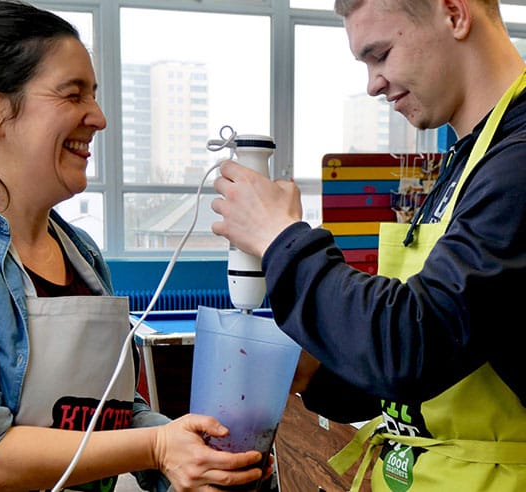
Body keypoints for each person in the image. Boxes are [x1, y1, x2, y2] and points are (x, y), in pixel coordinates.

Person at [0, 1, 268, 491]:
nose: (100, 117)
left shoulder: (80, 252)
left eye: (95, 94)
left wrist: (195, 455)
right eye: (73, 94)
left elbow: (114, 412)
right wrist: (156, 447)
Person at [211, 0, 526, 490]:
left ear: (454, 13)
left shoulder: (518, 162)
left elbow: (412, 343)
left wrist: (282, 240)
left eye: (380, 54)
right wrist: (320, 369)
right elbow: (444, 363)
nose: (372, 83)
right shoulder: (467, 163)